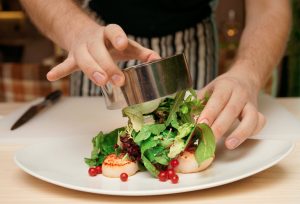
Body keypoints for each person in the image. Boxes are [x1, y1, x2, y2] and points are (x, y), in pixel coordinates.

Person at [20, 0, 291, 150]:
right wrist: (76, 30)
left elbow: (270, 5)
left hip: (192, 40)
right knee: (109, 148)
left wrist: (247, 74)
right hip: (97, 41)